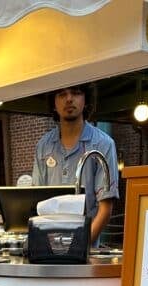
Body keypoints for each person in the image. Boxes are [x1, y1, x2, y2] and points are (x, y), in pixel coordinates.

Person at [32, 85, 119, 243]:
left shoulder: (103, 144)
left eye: (76, 93)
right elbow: (36, 202)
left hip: (87, 249)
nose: (69, 99)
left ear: (86, 99)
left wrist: (81, 247)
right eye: (61, 94)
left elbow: (105, 209)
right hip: (48, 245)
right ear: (53, 102)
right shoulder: (43, 145)